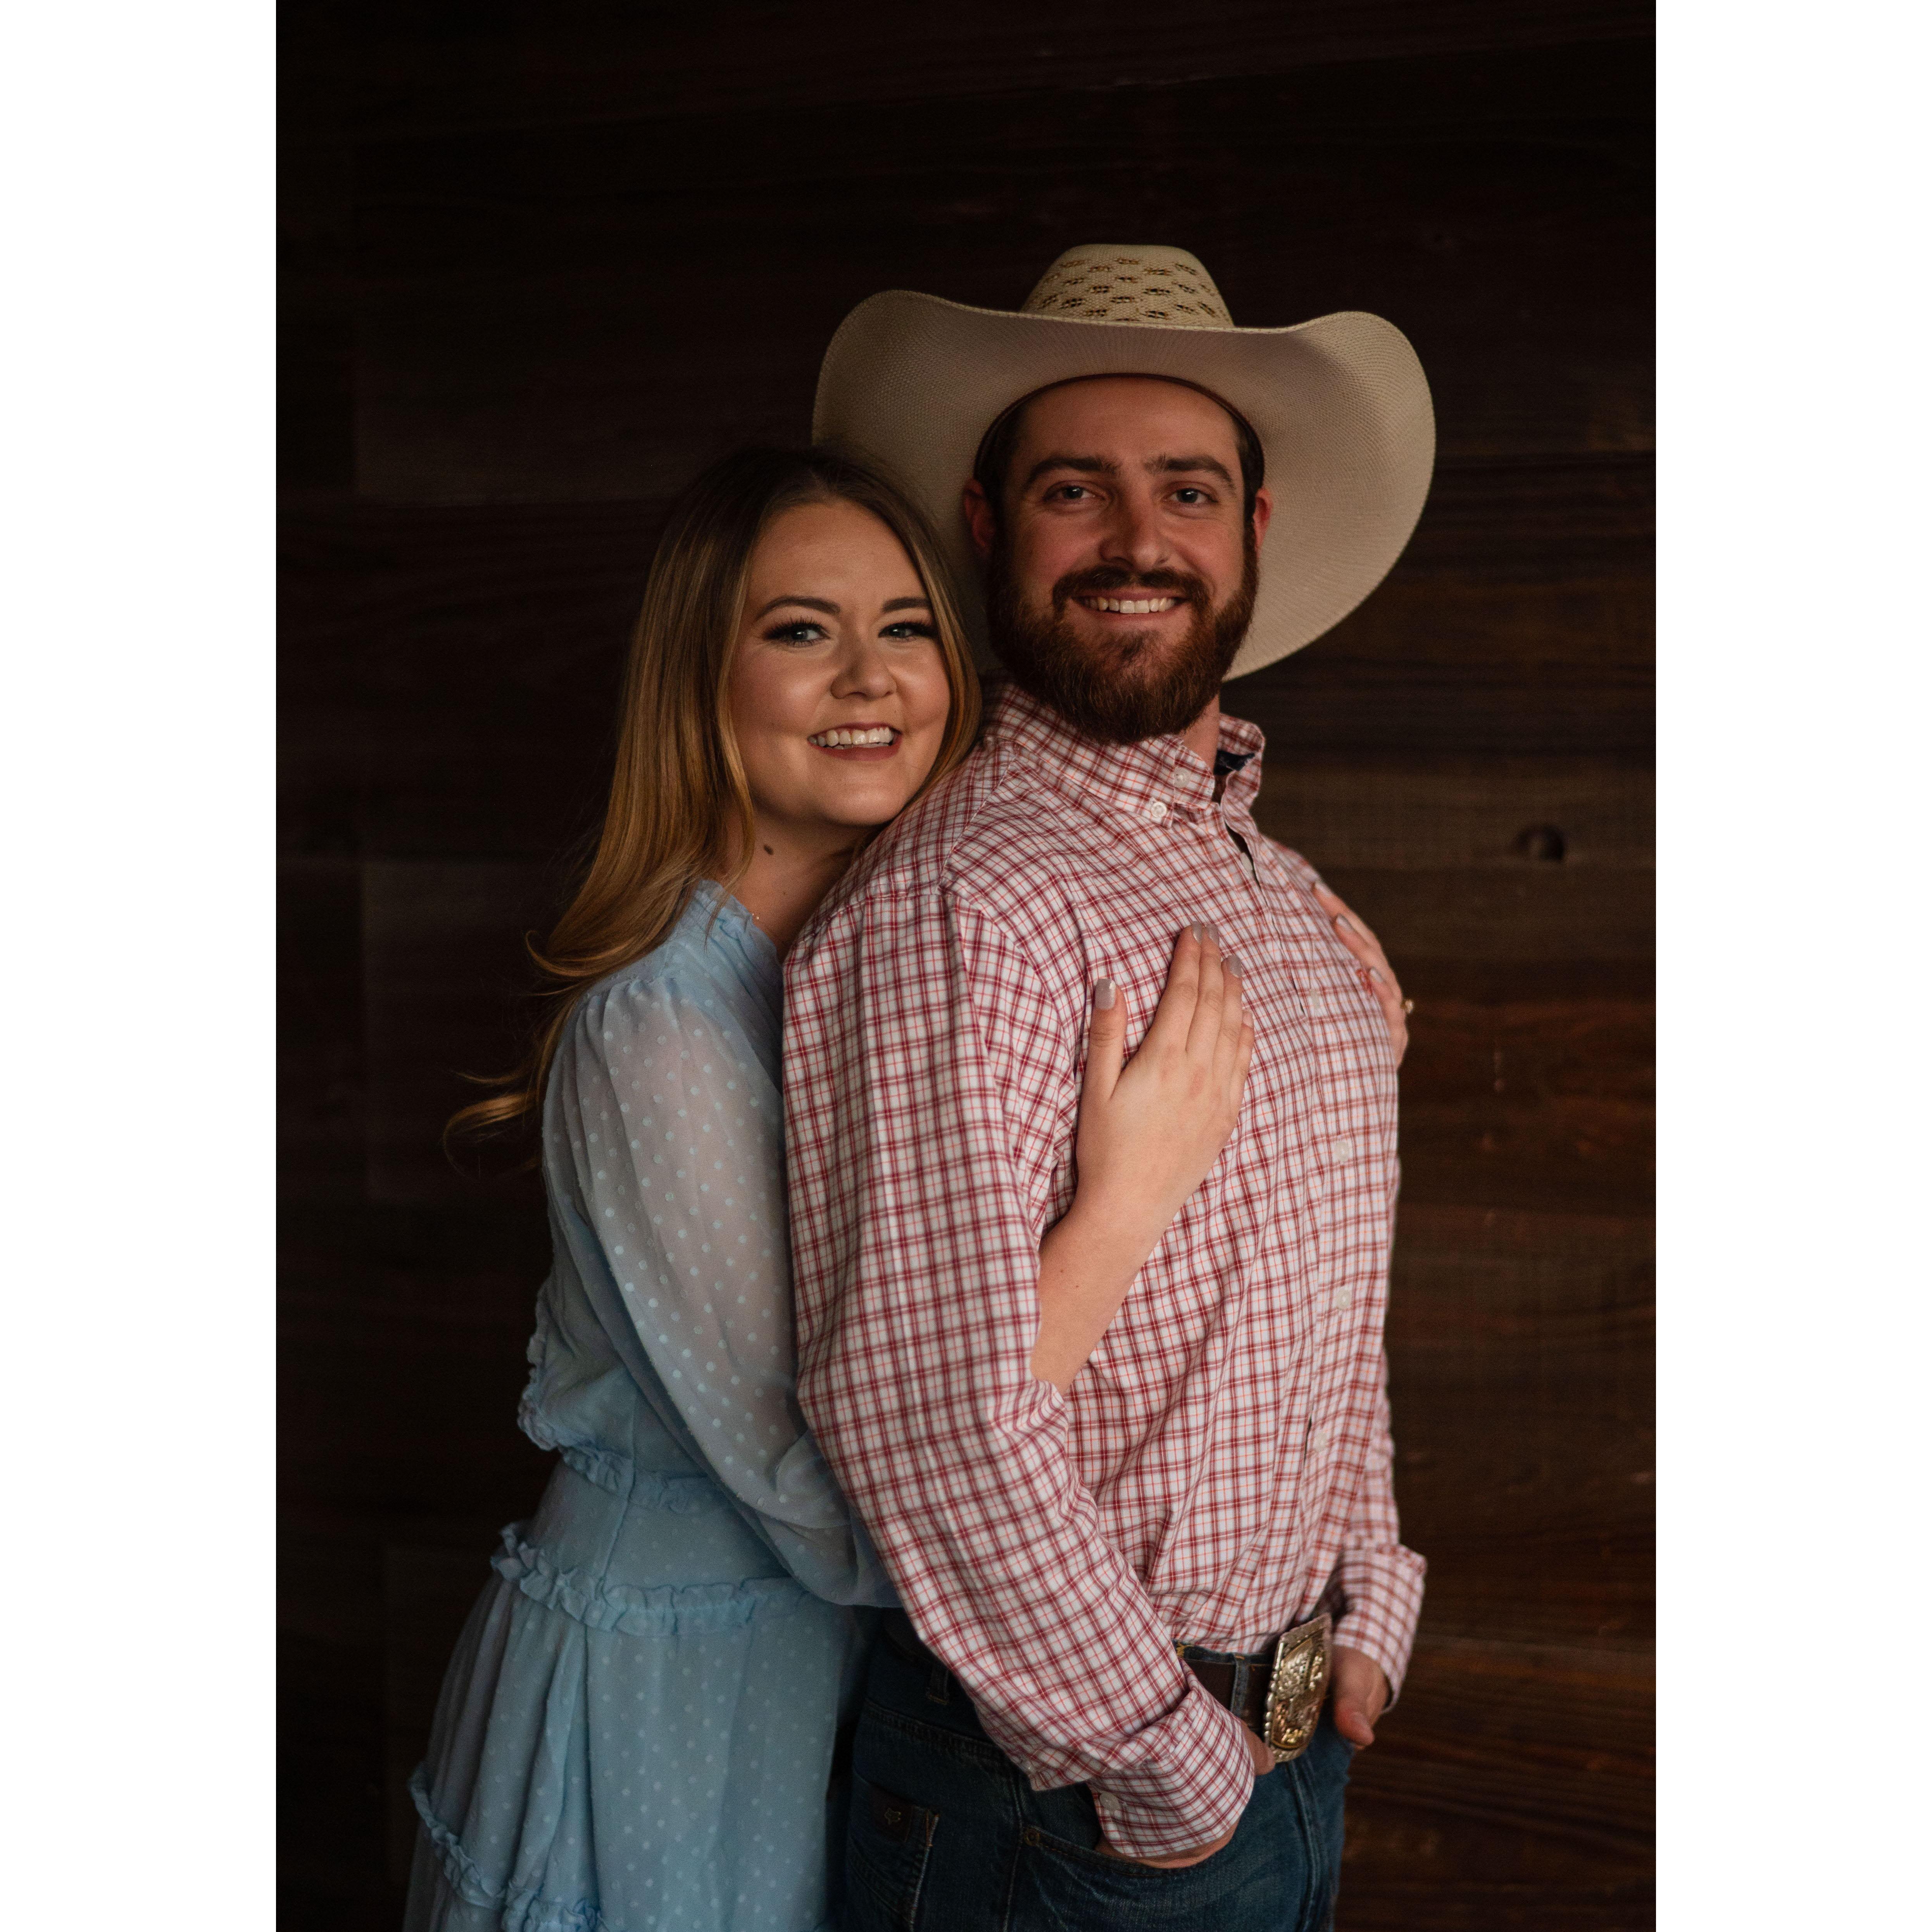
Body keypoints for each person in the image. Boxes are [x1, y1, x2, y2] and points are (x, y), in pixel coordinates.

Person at [402, 444, 1281, 1932]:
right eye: (802, 629)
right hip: (686, 1692)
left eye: (908, 627)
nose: (870, 678)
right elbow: (834, 1506)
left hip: (889, 1709)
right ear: (702, 677)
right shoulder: (659, 1031)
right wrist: (1125, 1204)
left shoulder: (906, 967)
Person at [785, 244, 1432, 1931]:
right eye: (1076, 489)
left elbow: (1329, 1293)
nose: (1138, 540)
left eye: (1187, 490)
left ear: (1252, 530)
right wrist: (1166, 1761)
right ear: (989, 525)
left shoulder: (1289, 901)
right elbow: (926, 1415)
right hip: (1067, 1809)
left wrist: (1370, 1592)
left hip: (1293, 1753)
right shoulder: (965, 901)